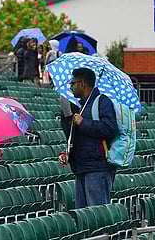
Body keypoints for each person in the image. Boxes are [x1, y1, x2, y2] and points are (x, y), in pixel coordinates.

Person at [58, 68, 118, 208]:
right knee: (84, 217)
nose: (71, 87)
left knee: (98, 216)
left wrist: (83, 122)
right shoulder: (80, 105)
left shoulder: (102, 102)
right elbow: (76, 136)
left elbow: (109, 128)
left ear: (82, 84)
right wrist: (67, 152)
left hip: (98, 167)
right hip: (81, 167)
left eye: (73, 83)